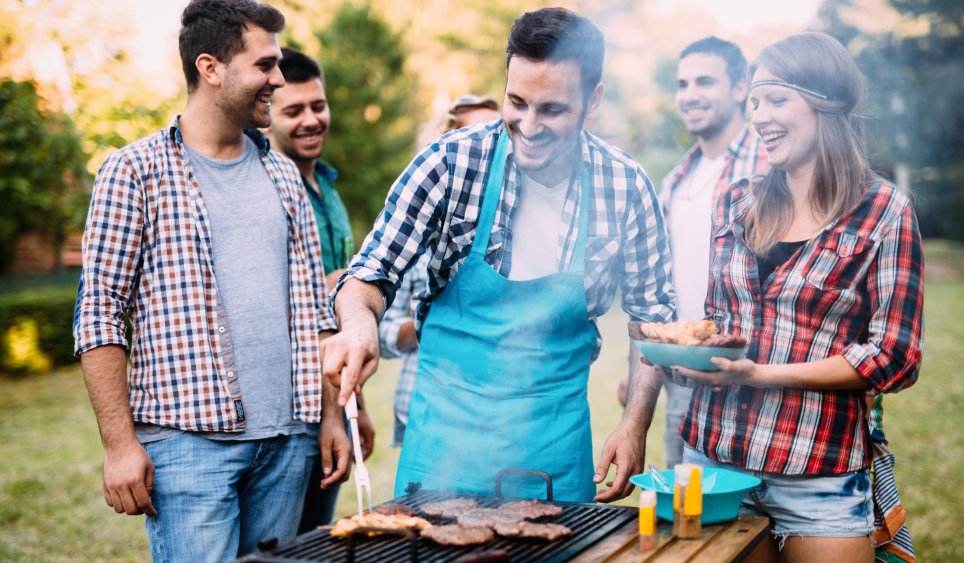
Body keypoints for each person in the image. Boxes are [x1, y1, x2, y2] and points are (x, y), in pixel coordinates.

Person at [323, 7, 676, 503]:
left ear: (592, 100)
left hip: (552, 448)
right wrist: (359, 325)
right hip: (443, 442)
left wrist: (635, 425)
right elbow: (369, 275)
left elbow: (652, 319)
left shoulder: (626, 186)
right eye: (517, 102)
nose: (528, 126)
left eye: (552, 109)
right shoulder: (449, 162)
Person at [73, 1, 349, 560]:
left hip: (289, 442)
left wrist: (330, 417)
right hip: (186, 446)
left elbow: (314, 312)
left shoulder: (282, 174)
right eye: (265, 65)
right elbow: (99, 311)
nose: (278, 78)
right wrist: (120, 444)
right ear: (211, 68)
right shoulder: (134, 171)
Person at [659, 32, 923, 561]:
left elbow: (895, 359)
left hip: (816, 468)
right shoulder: (736, 202)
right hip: (712, 461)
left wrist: (760, 374)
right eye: (754, 101)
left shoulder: (884, 210)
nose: (759, 116)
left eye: (776, 99)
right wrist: (686, 355)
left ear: (826, 104)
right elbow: (719, 320)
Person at [616, 37, 768, 469]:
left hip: (747, 368)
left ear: (740, 88)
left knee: (751, 509)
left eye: (705, 81)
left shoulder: (769, 162)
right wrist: (644, 364)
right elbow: (660, 284)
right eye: (682, 84)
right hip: (680, 371)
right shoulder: (677, 180)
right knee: (689, 503)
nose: (689, 95)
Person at [266, 46, 374, 533]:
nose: (311, 120)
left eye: (318, 106)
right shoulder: (265, 186)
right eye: (293, 111)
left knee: (316, 540)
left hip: (334, 401)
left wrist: (357, 410)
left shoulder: (329, 189)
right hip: (286, 410)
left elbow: (345, 315)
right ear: (266, 111)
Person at [380, 93, 501, 448]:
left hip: (493, 414)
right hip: (421, 409)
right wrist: (432, 323)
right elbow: (381, 333)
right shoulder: (415, 239)